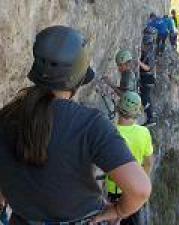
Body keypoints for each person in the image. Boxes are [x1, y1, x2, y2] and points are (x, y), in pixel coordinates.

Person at [0, 26, 151, 225]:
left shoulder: (6, 116)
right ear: (78, 79)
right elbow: (140, 189)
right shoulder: (90, 125)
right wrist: (117, 211)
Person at [106, 91, 154, 225]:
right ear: (137, 112)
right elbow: (148, 163)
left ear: (118, 109)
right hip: (133, 189)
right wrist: (141, 182)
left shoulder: (109, 132)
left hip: (112, 189)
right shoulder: (144, 133)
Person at [139, 35, 157, 126]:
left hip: (148, 78)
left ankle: (150, 118)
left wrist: (139, 63)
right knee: (147, 98)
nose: (143, 45)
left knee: (145, 99)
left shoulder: (150, 54)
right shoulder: (148, 52)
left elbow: (148, 68)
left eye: (144, 44)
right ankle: (150, 117)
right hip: (147, 78)